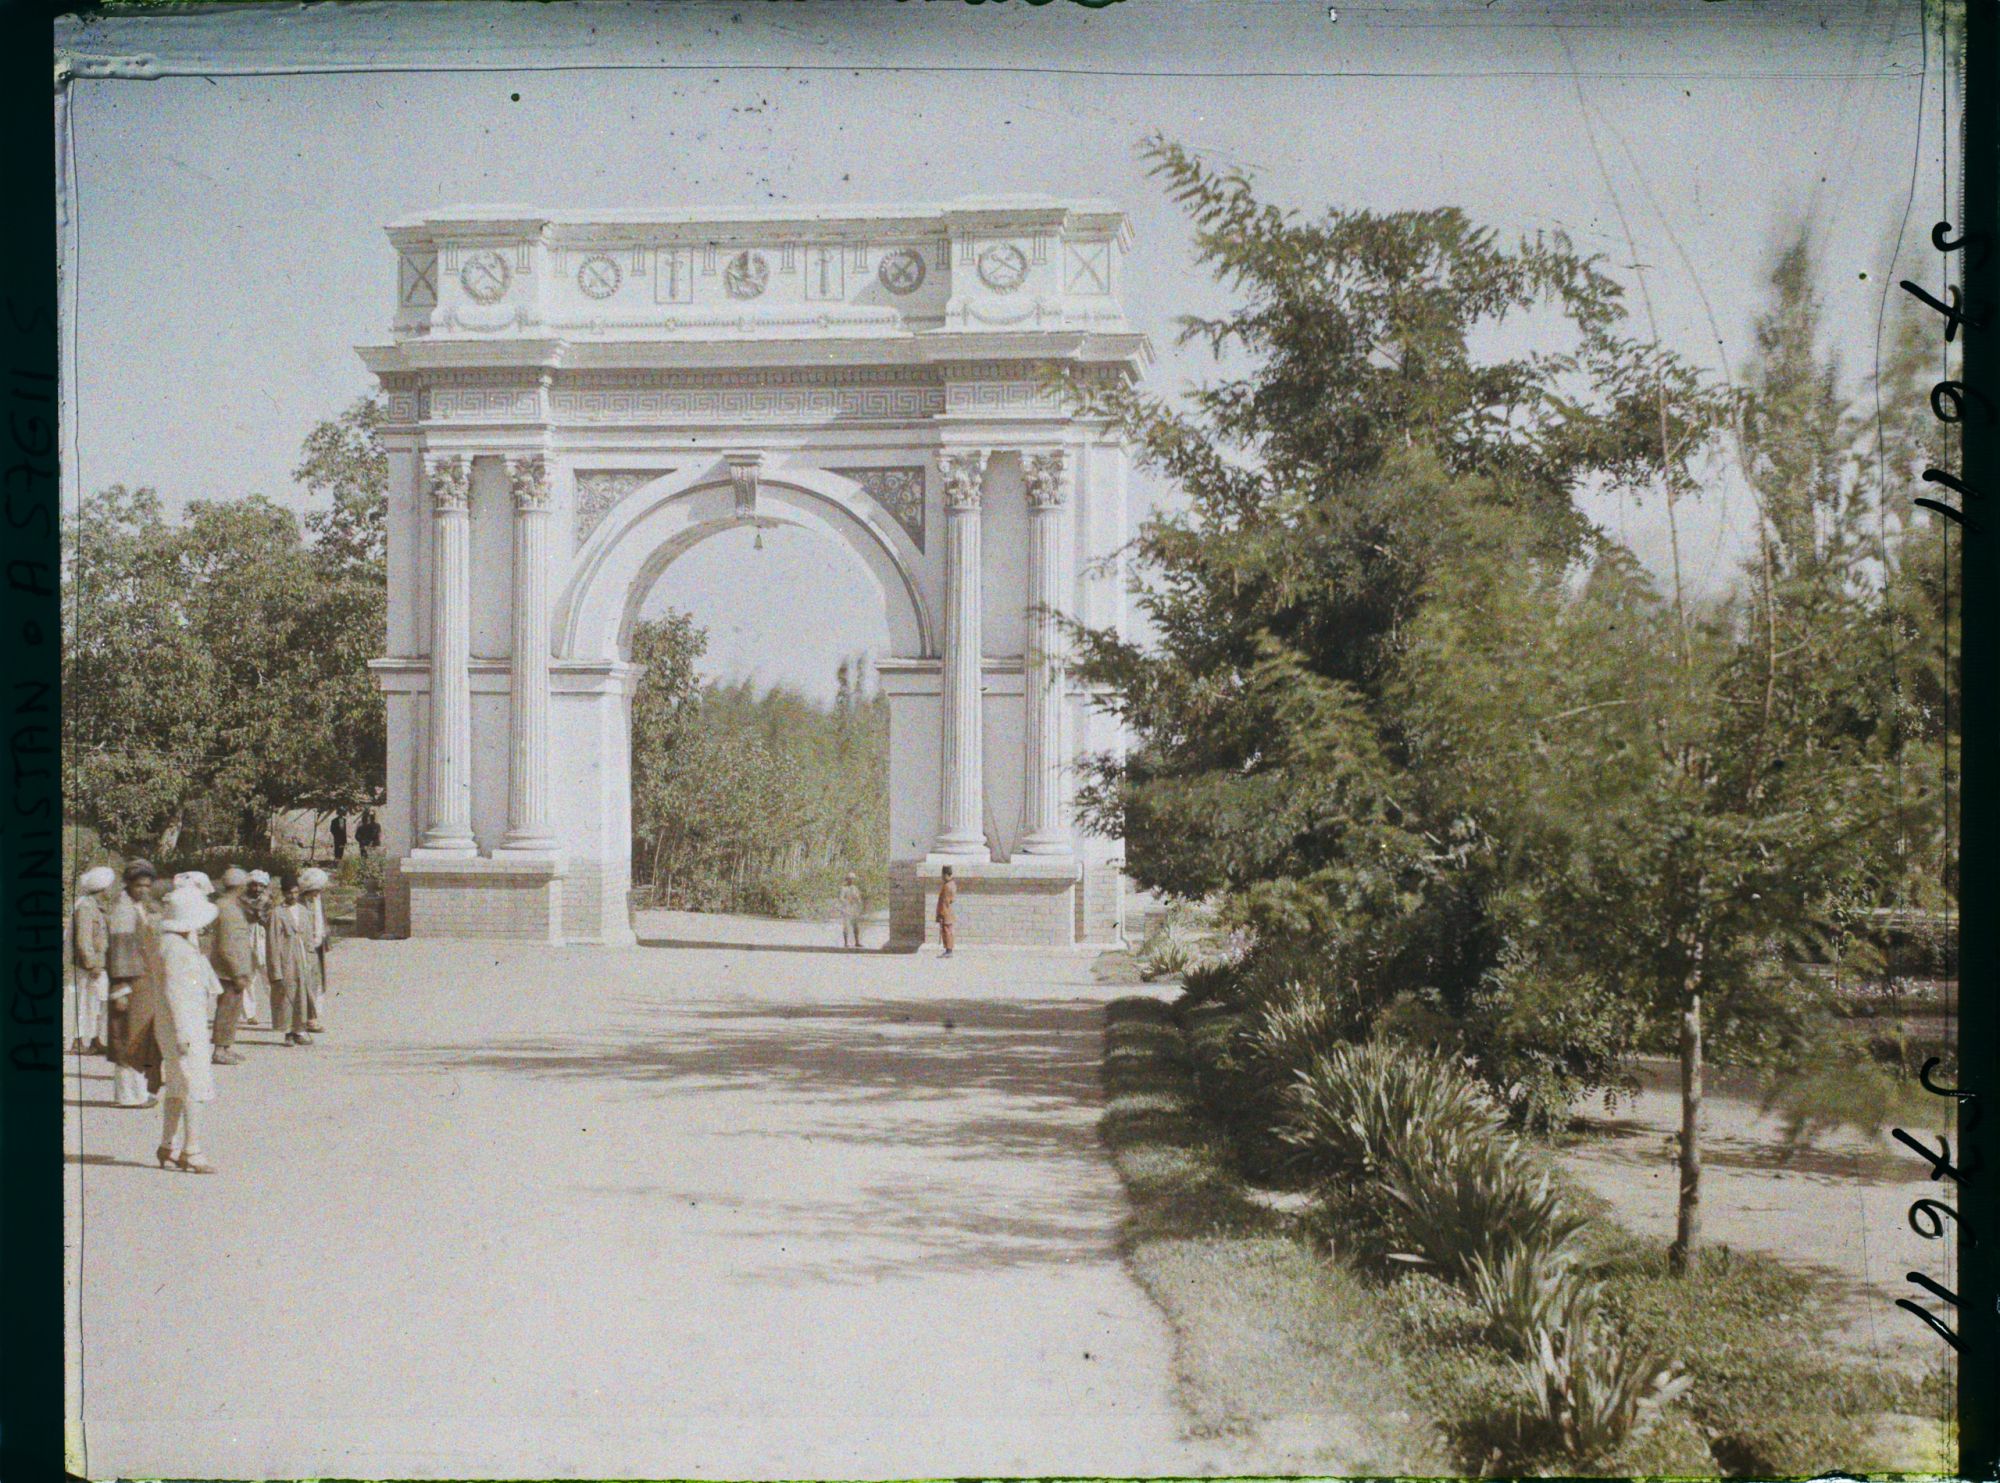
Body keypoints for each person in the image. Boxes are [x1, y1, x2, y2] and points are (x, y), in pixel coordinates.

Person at [153, 881, 221, 1173]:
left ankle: (168, 1145)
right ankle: (192, 1150)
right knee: (195, 1086)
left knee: (178, 1087)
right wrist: (183, 1034)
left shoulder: (169, 943)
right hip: (185, 1026)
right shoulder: (178, 950)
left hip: (173, 1025)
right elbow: (176, 993)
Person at [106, 860, 164, 1107]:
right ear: (128, 884)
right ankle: (129, 1096)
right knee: (128, 1036)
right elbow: (119, 951)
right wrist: (120, 987)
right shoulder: (123, 910)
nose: (143, 890)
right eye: (138, 885)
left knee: (139, 1036)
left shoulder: (138, 906)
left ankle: (139, 1092)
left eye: (147, 886)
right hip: (130, 983)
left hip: (143, 983)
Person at [209, 867, 256, 1065]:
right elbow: (227, 945)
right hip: (229, 969)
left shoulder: (228, 905)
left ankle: (226, 1046)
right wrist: (237, 971)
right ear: (239, 886)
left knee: (233, 1009)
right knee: (227, 1009)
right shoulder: (227, 909)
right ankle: (220, 1049)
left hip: (232, 967)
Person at [70, 866, 117, 1055]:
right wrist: (92, 964)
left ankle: (96, 1038)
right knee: (85, 1003)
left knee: (100, 1003)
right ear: (103, 888)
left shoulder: (98, 908)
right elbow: (83, 940)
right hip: (89, 966)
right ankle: (80, 1041)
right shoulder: (86, 907)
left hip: (100, 964)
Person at [266, 873, 314, 1047]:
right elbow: (273, 942)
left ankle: (299, 1030)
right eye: (289, 893)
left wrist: (310, 957)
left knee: (302, 993)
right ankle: (287, 1032)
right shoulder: (277, 913)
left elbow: (308, 936)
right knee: (287, 993)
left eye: (295, 892)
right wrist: (275, 967)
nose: (292, 896)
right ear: (283, 893)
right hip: (286, 957)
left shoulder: (303, 911)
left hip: (302, 957)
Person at [299, 866, 331, 1032]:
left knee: (318, 981)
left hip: (318, 946)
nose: (318, 893)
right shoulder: (301, 903)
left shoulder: (319, 899)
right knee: (307, 981)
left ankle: (314, 1015)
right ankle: (309, 1019)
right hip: (304, 947)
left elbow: (322, 920)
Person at [241, 869, 272, 1026]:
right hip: (247, 940)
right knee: (248, 978)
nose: (257, 889)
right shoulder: (242, 901)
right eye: (254, 885)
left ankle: (277, 1010)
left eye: (261, 886)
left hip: (263, 940)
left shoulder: (269, 901)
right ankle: (250, 1013)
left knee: (269, 976)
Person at [838, 872, 865, 950]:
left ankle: (857, 941)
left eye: (853, 879)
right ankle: (846, 943)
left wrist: (858, 902)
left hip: (854, 909)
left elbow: (858, 898)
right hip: (847, 909)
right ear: (847, 880)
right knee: (846, 926)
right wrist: (847, 901)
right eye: (850, 879)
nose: (851, 880)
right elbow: (841, 898)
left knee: (856, 926)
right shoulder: (844, 888)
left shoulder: (855, 888)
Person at [935, 865, 958, 958]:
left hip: (946, 912)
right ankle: (948, 949)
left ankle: (948, 950)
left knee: (947, 931)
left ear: (945, 875)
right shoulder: (952, 884)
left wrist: (940, 914)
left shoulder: (947, 886)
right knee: (948, 930)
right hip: (949, 911)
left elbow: (944, 902)